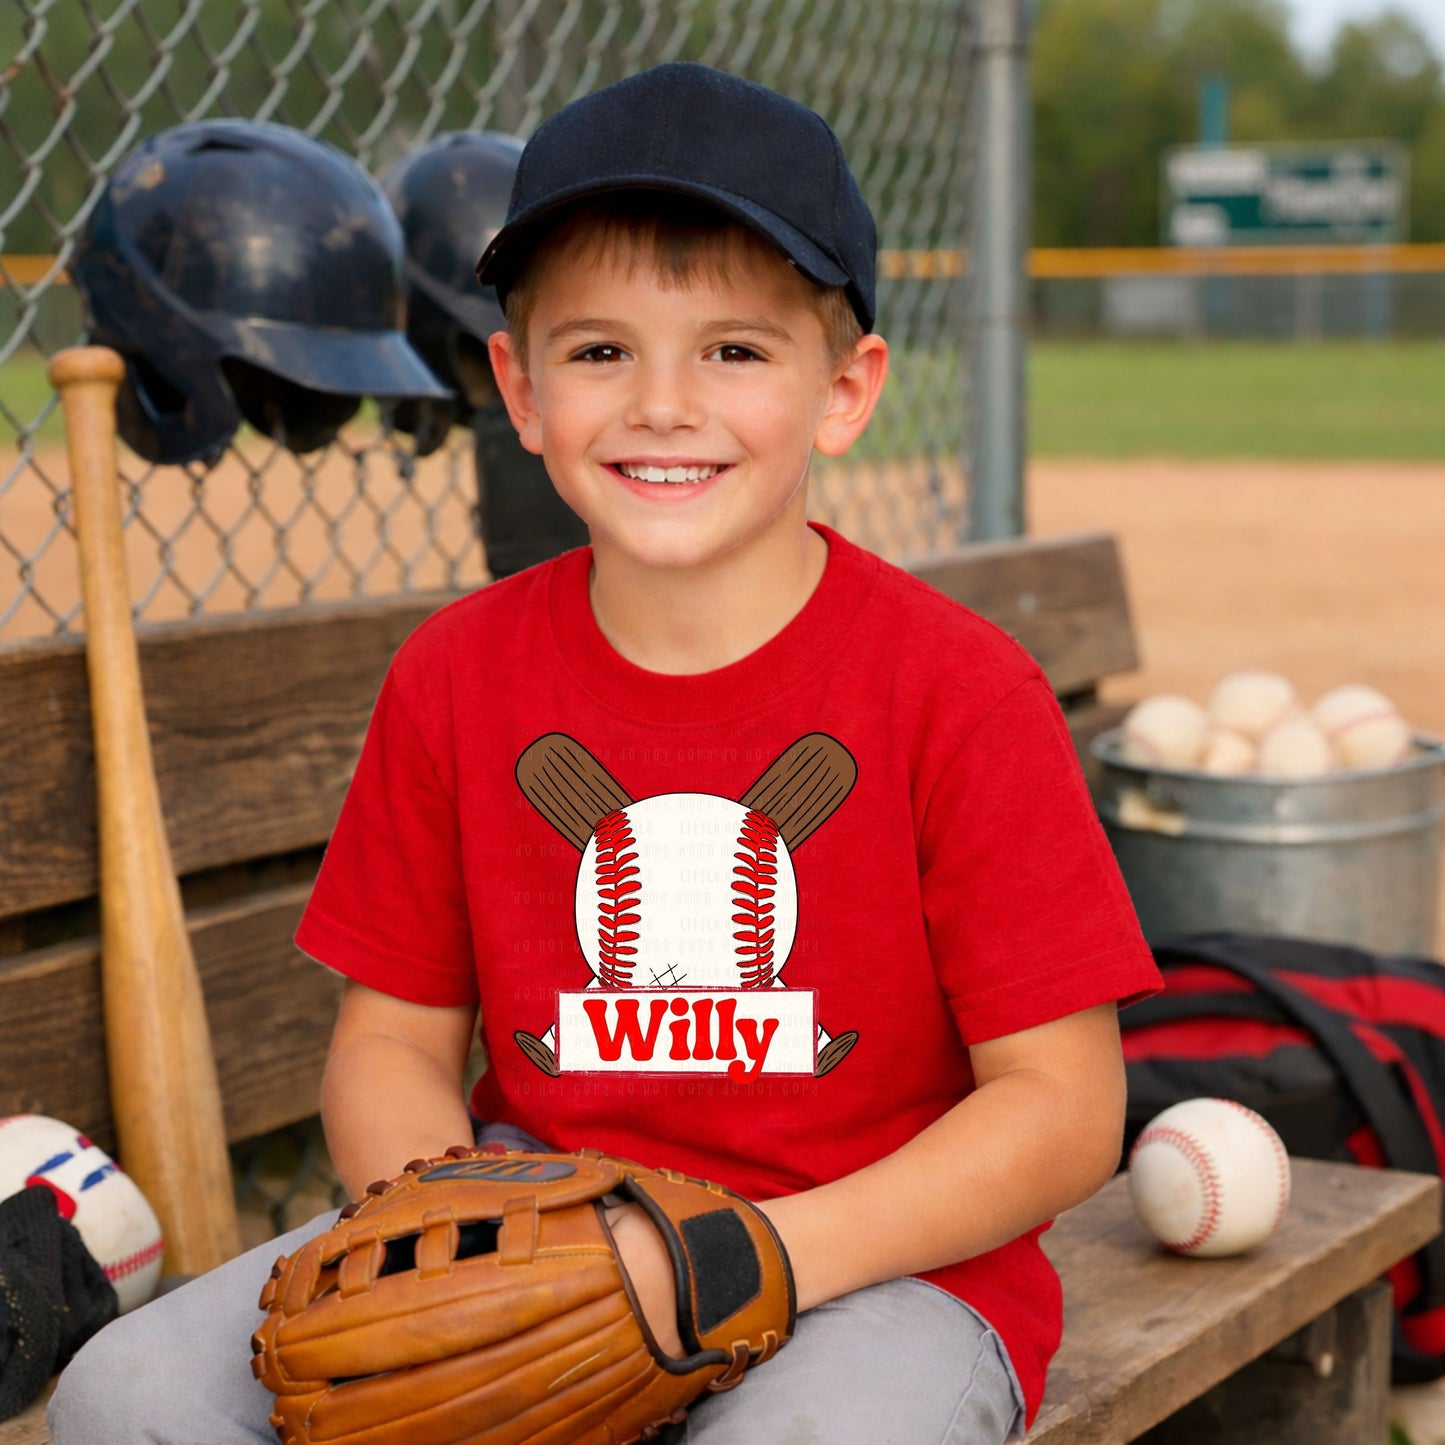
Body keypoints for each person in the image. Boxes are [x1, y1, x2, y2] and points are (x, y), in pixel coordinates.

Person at [49, 62, 1160, 1444]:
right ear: (518, 386)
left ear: (844, 387)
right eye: (599, 350)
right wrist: (464, 1251)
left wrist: (741, 1260)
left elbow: (1061, 1107)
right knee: (126, 1395)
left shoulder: (955, 689)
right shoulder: (459, 675)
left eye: (735, 351)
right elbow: (388, 1041)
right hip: (537, 1225)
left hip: (873, 1264)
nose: (661, 403)